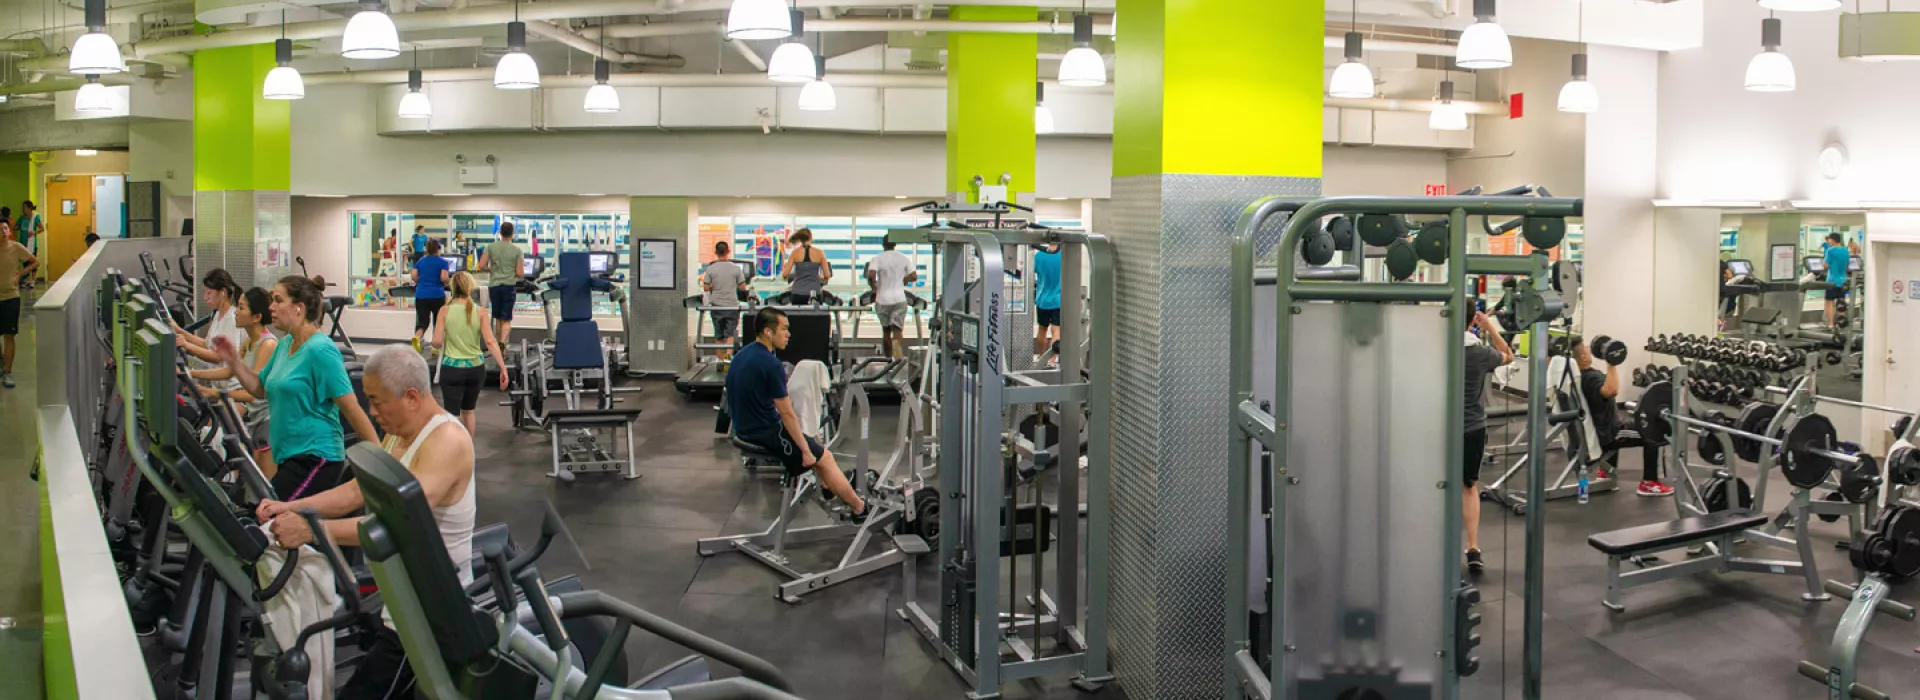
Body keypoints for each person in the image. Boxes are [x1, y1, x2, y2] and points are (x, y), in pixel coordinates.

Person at [251, 346, 475, 700]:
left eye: (376, 400)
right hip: (401, 599)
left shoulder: (447, 440)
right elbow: (356, 491)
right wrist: (291, 506)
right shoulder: (401, 435)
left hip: (429, 615)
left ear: (412, 397)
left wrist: (311, 529)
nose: (371, 411)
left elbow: (400, 523)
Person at [211, 276, 380, 500]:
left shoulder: (320, 350)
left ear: (298, 308)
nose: (271, 306)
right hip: (288, 455)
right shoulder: (285, 345)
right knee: (286, 526)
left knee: (272, 518)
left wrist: (380, 462)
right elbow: (259, 388)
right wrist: (234, 361)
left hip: (316, 457)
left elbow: (352, 409)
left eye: (278, 300)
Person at [727, 307, 868, 521]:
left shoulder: (741, 355)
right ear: (768, 332)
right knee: (825, 457)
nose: (788, 334)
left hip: (743, 428)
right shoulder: (771, 364)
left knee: (816, 450)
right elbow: (787, 413)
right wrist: (805, 450)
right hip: (763, 433)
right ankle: (860, 509)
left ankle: (830, 488)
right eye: (784, 329)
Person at [1570, 335, 1673, 498]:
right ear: (1583, 356)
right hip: (1608, 434)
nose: (1590, 351)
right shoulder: (1590, 378)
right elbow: (1611, 390)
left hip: (1599, 430)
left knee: (1622, 423)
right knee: (1652, 432)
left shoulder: (1575, 376)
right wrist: (1612, 362)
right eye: (1587, 349)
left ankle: (1605, 472)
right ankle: (1649, 483)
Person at [189, 287, 278, 464]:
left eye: (241, 308)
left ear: (257, 317)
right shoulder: (248, 341)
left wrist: (212, 393)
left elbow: (254, 393)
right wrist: (191, 374)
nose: (235, 312)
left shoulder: (267, 345)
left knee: (217, 424)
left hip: (265, 417)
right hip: (253, 413)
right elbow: (230, 371)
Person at [1460, 309, 1514, 573]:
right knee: (1468, 487)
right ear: (1472, 319)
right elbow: (1509, 355)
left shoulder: (1436, 347)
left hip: (1438, 428)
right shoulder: (1481, 353)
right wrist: (1490, 328)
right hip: (1472, 429)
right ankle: (1472, 548)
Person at [435, 271, 508, 435]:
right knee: (469, 411)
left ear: (452, 288)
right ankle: (469, 453)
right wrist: (503, 368)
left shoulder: (444, 311)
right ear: (470, 288)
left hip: (452, 369)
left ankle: (455, 454)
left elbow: (436, 342)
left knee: (452, 415)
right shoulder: (481, 311)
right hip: (475, 369)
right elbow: (490, 342)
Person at [173, 268, 248, 367]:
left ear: (223, 292)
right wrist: (178, 330)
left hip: (230, 382)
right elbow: (206, 344)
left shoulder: (232, 318)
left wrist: (186, 345)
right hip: (217, 380)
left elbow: (218, 357)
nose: (205, 297)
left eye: (209, 293)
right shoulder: (218, 314)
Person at [865, 241, 917, 360]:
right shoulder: (903, 258)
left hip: (882, 299)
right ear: (895, 244)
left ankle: (889, 361)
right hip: (899, 298)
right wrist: (904, 279)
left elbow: (871, 275)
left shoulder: (877, 258)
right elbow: (914, 276)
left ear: (883, 244)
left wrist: (873, 287)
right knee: (897, 330)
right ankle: (896, 344)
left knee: (886, 331)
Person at [477, 221, 524, 347]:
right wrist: (511, 273)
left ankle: (498, 347)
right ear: (512, 234)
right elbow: (520, 273)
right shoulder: (517, 250)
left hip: (494, 286)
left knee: (497, 317)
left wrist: (492, 270)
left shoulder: (491, 247)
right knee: (506, 319)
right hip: (509, 286)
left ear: (500, 233)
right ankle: (503, 342)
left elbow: (481, 265)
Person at [0, 232, 37, 389]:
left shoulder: (16, 247)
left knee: (9, 335)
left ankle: (8, 371)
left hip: (11, 297)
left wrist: (19, 274)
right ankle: (2, 362)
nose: (3, 232)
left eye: (5, 228)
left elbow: (34, 262)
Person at [702, 241, 748, 360]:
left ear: (715, 253)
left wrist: (715, 286)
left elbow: (706, 287)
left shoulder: (711, 268)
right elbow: (742, 287)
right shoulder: (736, 268)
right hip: (731, 306)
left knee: (719, 335)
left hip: (717, 306)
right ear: (728, 252)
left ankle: (720, 361)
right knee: (730, 334)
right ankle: (728, 360)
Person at [411, 239, 451, 350]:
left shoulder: (421, 261)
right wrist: (447, 282)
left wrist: (422, 282)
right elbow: (443, 278)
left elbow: (414, 276)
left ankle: (417, 338)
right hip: (437, 295)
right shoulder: (443, 262)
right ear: (438, 249)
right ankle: (436, 348)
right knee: (438, 321)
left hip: (421, 295)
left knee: (423, 321)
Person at [781, 228, 830, 303]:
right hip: (815, 292)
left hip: (798, 293)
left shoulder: (795, 253)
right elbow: (827, 275)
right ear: (811, 237)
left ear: (800, 239)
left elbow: (785, 274)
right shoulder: (820, 253)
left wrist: (796, 275)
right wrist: (820, 276)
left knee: (798, 314)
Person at [1031, 242, 1062, 360]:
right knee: (1056, 331)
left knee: (1042, 329)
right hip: (1059, 300)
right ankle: (1052, 360)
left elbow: (1032, 273)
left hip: (1042, 300)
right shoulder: (1064, 255)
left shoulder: (1039, 256)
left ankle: (1041, 356)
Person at [1823, 232, 1851, 330]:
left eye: (1829, 239)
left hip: (1832, 281)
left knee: (1829, 302)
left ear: (1832, 240)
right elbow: (1847, 266)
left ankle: (1830, 324)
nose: (1828, 241)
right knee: (1840, 303)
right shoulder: (1845, 250)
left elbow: (1825, 265)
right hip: (1842, 280)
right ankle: (1840, 324)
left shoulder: (1830, 250)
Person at [15, 200, 40, 290]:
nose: (23, 209)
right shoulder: (22, 218)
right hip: (23, 242)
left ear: (29, 208)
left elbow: (41, 228)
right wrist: (18, 227)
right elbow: (15, 227)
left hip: (32, 242)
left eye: (24, 207)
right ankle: (26, 280)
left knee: (33, 261)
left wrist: (34, 232)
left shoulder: (35, 217)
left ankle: (32, 280)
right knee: (25, 263)